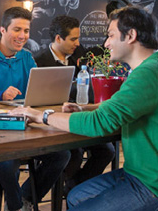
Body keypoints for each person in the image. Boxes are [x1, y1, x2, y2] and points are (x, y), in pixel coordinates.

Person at [11, 6, 158, 210]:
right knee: (75, 196)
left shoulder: (148, 74)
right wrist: (85, 108)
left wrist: (41, 116)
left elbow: (99, 124)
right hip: (141, 174)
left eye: (111, 35)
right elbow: (118, 105)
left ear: (130, 35)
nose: (106, 43)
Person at [0, 7, 70, 211]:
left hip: (24, 127)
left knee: (62, 155)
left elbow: (36, 92)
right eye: (17, 30)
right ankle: (15, 207)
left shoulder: (27, 57)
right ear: (2, 30)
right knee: (8, 162)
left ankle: (26, 199)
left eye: (26, 30)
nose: (22, 36)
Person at [32, 15, 115, 193]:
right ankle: (71, 192)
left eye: (79, 38)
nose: (78, 43)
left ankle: (75, 188)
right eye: (73, 39)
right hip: (50, 123)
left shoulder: (78, 55)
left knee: (107, 150)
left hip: (76, 118)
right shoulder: (37, 61)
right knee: (73, 153)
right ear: (58, 39)